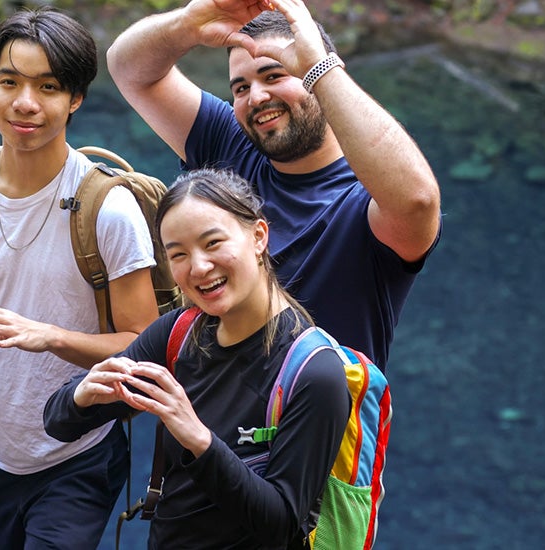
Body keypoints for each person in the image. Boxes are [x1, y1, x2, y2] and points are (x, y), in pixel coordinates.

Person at [0, 7, 160, 549]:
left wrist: (50, 337)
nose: (25, 103)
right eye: (9, 82)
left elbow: (143, 347)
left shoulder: (107, 210)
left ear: (75, 99)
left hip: (80, 450)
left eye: (49, 86)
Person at [107, 0, 442, 368]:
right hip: (201, 411)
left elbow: (419, 202)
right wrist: (189, 23)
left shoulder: (365, 199)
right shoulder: (228, 141)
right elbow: (129, 69)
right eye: (240, 87)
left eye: (274, 75)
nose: (257, 97)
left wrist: (320, 66)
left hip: (310, 419)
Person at [44, 168, 351, 548]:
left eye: (213, 243)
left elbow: (283, 526)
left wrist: (199, 440)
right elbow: (58, 425)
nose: (199, 267)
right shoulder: (178, 334)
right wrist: (83, 395)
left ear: (258, 236)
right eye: (178, 254)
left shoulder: (314, 374)